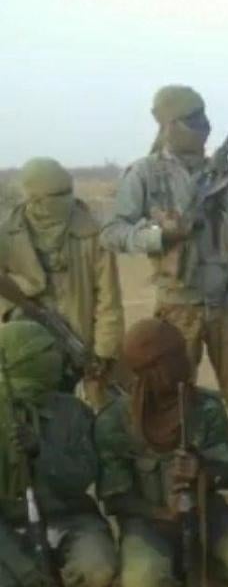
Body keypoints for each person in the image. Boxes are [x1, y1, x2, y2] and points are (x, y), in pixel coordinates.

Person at [101, 84, 228, 438]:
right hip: (177, 306)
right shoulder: (144, 174)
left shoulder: (221, 175)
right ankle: (177, 481)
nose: (203, 127)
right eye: (192, 120)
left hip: (224, 305)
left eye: (204, 118)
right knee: (172, 397)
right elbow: (113, 232)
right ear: (169, 125)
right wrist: (162, 235)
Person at [95, 318, 228, 587]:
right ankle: (175, 576)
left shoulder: (206, 406)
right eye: (177, 357)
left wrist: (203, 471)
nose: (187, 362)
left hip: (208, 514)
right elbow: (116, 499)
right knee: (142, 586)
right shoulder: (114, 421)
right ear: (153, 370)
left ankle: (209, 567)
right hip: (149, 524)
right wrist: (164, 514)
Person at [0, 321, 116, 587]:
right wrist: (23, 569)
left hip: (71, 518)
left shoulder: (73, 411)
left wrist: (42, 452)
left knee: (97, 570)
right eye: (45, 352)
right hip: (10, 529)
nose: (56, 359)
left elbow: (83, 476)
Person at [0, 157, 123, 411]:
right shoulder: (7, 234)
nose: (65, 201)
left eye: (67, 193)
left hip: (80, 344)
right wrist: (20, 310)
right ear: (33, 198)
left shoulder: (91, 232)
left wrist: (103, 352)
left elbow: (108, 300)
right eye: (56, 195)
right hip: (26, 351)